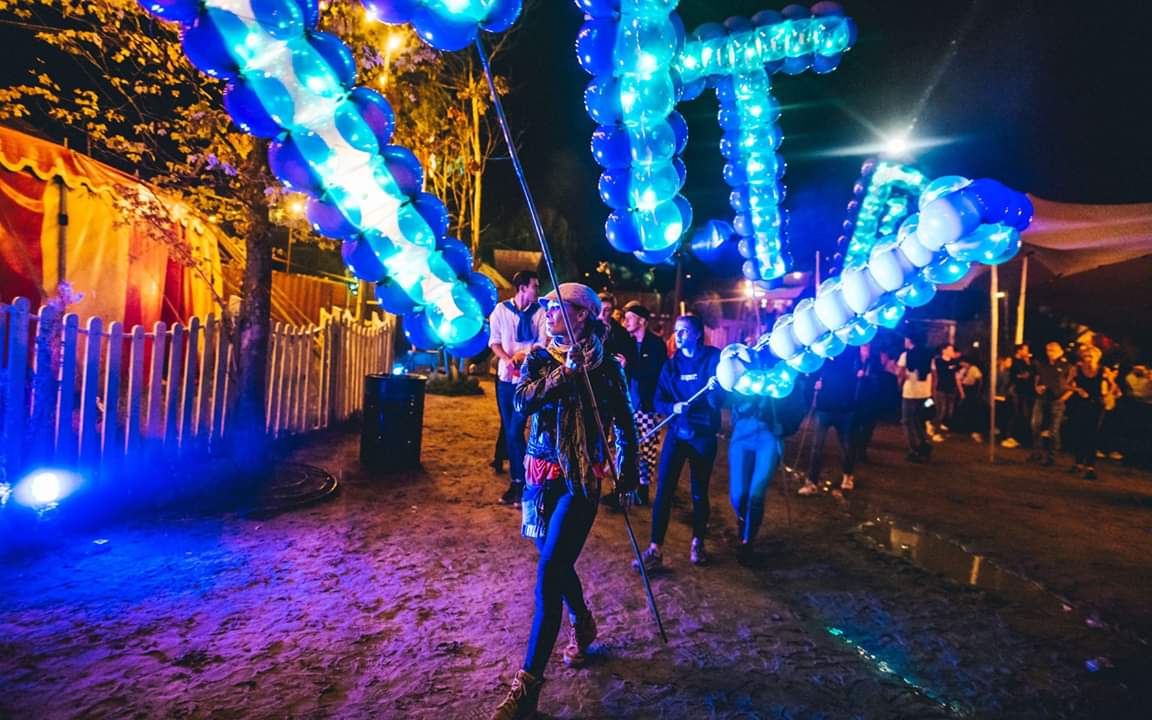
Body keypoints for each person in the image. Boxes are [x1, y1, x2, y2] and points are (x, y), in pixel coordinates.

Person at [489, 283, 638, 720]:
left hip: (580, 481)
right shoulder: (538, 357)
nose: (550, 311)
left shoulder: (609, 367)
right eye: (549, 305)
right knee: (555, 564)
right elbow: (521, 403)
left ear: (584, 316)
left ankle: (528, 688)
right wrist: (564, 374)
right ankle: (584, 619)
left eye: (560, 306)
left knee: (549, 572)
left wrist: (626, 474)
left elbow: (625, 423)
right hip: (539, 480)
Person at [635, 315, 721, 571]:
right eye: (676, 331)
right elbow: (658, 400)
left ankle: (698, 543)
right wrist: (673, 406)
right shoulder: (671, 365)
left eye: (683, 331)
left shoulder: (714, 359)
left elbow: (721, 402)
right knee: (663, 492)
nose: (678, 335)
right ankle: (655, 548)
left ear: (696, 334)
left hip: (703, 435)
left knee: (698, 492)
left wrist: (717, 389)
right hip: (677, 433)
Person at [727, 384, 805, 565]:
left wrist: (785, 427)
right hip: (742, 433)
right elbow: (728, 395)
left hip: (769, 436)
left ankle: (748, 541)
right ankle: (742, 519)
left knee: (756, 493)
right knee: (738, 495)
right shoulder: (746, 359)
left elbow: (798, 404)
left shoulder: (785, 368)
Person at [489, 270, 547, 506]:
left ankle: (522, 482)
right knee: (510, 430)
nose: (537, 289)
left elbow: (543, 344)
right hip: (505, 380)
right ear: (522, 288)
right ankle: (518, 482)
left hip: (527, 381)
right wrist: (506, 358)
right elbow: (494, 341)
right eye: (534, 285)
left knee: (515, 431)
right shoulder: (501, 311)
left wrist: (524, 355)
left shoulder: (540, 313)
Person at [798, 348, 860, 495]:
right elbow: (812, 372)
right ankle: (812, 481)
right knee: (817, 447)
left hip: (844, 408)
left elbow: (855, 375)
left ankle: (848, 476)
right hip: (824, 408)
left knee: (846, 446)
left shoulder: (850, 351)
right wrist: (813, 382)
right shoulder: (823, 352)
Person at [621, 300, 666, 505]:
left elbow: (653, 375)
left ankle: (644, 488)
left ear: (642, 321)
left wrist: (628, 366)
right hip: (628, 403)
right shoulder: (627, 343)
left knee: (646, 447)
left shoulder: (656, 345)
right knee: (626, 446)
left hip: (648, 405)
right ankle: (626, 486)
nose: (626, 321)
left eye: (630, 318)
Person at [1065, 345, 1118, 480]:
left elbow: (1113, 385)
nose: (1088, 359)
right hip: (1081, 403)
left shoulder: (1103, 370)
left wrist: (1107, 395)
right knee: (1079, 432)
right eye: (1085, 356)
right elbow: (1066, 384)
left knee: (1092, 434)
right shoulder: (1076, 369)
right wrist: (1078, 390)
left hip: (1097, 403)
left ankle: (1090, 466)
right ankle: (1078, 463)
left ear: (1097, 357)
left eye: (1091, 356)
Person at [1029, 342, 1073, 465]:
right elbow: (1037, 378)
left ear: (1060, 351)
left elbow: (1072, 385)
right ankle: (1037, 452)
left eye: (1053, 350)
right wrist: (1037, 388)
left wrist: (1063, 398)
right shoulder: (1042, 365)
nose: (1050, 353)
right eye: (1048, 350)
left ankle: (1052, 456)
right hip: (1042, 398)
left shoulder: (1066, 366)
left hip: (1057, 399)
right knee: (1035, 424)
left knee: (1054, 429)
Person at [897, 332, 936, 462]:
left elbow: (900, 373)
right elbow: (934, 374)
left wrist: (900, 383)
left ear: (910, 341)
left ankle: (913, 449)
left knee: (907, 421)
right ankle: (924, 444)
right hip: (924, 393)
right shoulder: (928, 355)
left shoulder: (905, 355)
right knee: (920, 421)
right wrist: (931, 392)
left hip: (910, 392)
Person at [852, 342, 885, 463]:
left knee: (867, 426)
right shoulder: (855, 361)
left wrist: (867, 376)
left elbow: (878, 378)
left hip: (869, 398)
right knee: (855, 426)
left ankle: (862, 450)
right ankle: (853, 449)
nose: (866, 350)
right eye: (864, 347)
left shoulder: (874, 362)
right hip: (856, 398)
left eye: (867, 347)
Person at [1003, 344, 1037, 448]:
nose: (1027, 352)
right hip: (1016, 391)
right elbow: (1012, 375)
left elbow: (1031, 374)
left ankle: (1020, 436)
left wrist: (1028, 363)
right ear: (1019, 351)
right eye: (1025, 350)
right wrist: (1021, 376)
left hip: (1025, 391)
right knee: (1015, 412)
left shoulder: (1026, 362)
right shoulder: (1012, 361)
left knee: (1024, 414)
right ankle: (1010, 436)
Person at [598, 292, 635, 369]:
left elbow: (628, 359)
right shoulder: (587, 330)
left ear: (612, 311)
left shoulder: (622, 333)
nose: (602, 314)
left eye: (606, 310)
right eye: (599, 309)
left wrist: (624, 364)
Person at [933, 344, 961, 433]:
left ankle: (940, 424)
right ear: (943, 351)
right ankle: (935, 429)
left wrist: (959, 389)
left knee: (950, 411)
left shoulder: (954, 362)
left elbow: (957, 375)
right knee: (941, 410)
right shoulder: (938, 361)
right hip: (941, 388)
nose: (952, 351)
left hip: (951, 388)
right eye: (949, 350)